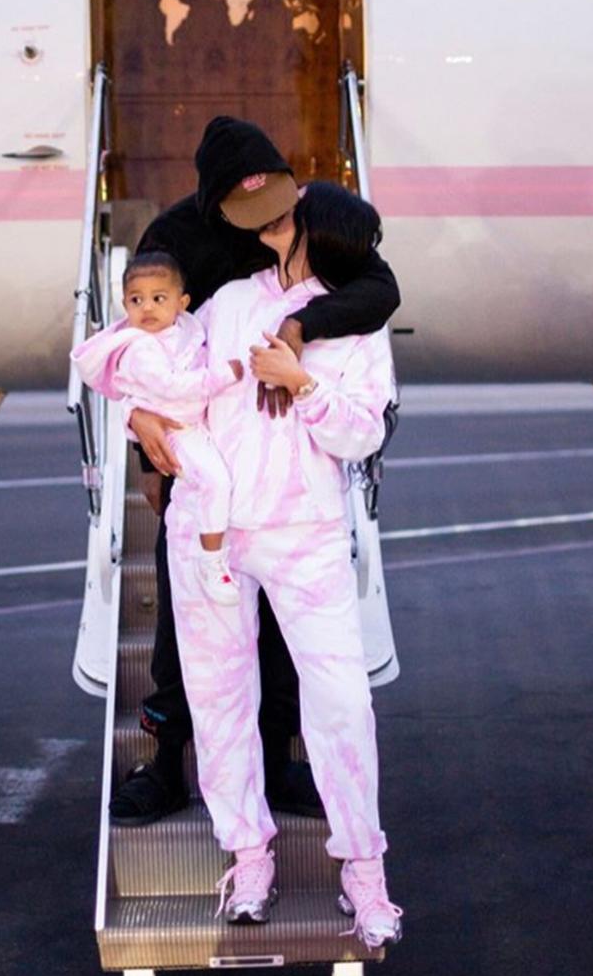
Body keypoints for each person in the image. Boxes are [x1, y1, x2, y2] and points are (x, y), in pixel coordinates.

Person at [113, 116, 400, 827]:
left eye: (279, 203)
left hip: (281, 472)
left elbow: (379, 285)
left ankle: (274, 766)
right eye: (254, 213)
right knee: (188, 638)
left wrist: (305, 325)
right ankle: (169, 764)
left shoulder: (305, 214)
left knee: (276, 635)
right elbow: (137, 343)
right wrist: (138, 433)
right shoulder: (173, 243)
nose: (272, 221)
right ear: (213, 202)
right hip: (202, 461)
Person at [166, 181, 402, 948]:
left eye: (293, 215)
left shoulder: (355, 322)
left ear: (316, 231)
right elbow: (166, 378)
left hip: (307, 530)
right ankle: (248, 852)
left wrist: (301, 383)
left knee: (340, 701)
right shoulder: (228, 302)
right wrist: (145, 419)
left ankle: (364, 869)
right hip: (213, 531)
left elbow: (363, 434)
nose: (276, 219)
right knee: (219, 697)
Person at [70, 251, 244, 604]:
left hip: (197, 422)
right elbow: (171, 387)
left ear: (182, 303)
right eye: (137, 300)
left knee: (222, 484)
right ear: (124, 304)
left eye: (158, 298)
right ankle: (213, 562)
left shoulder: (185, 330)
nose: (147, 308)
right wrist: (224, 375)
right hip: (175, 431)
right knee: (215, 481)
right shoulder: (139, 348)